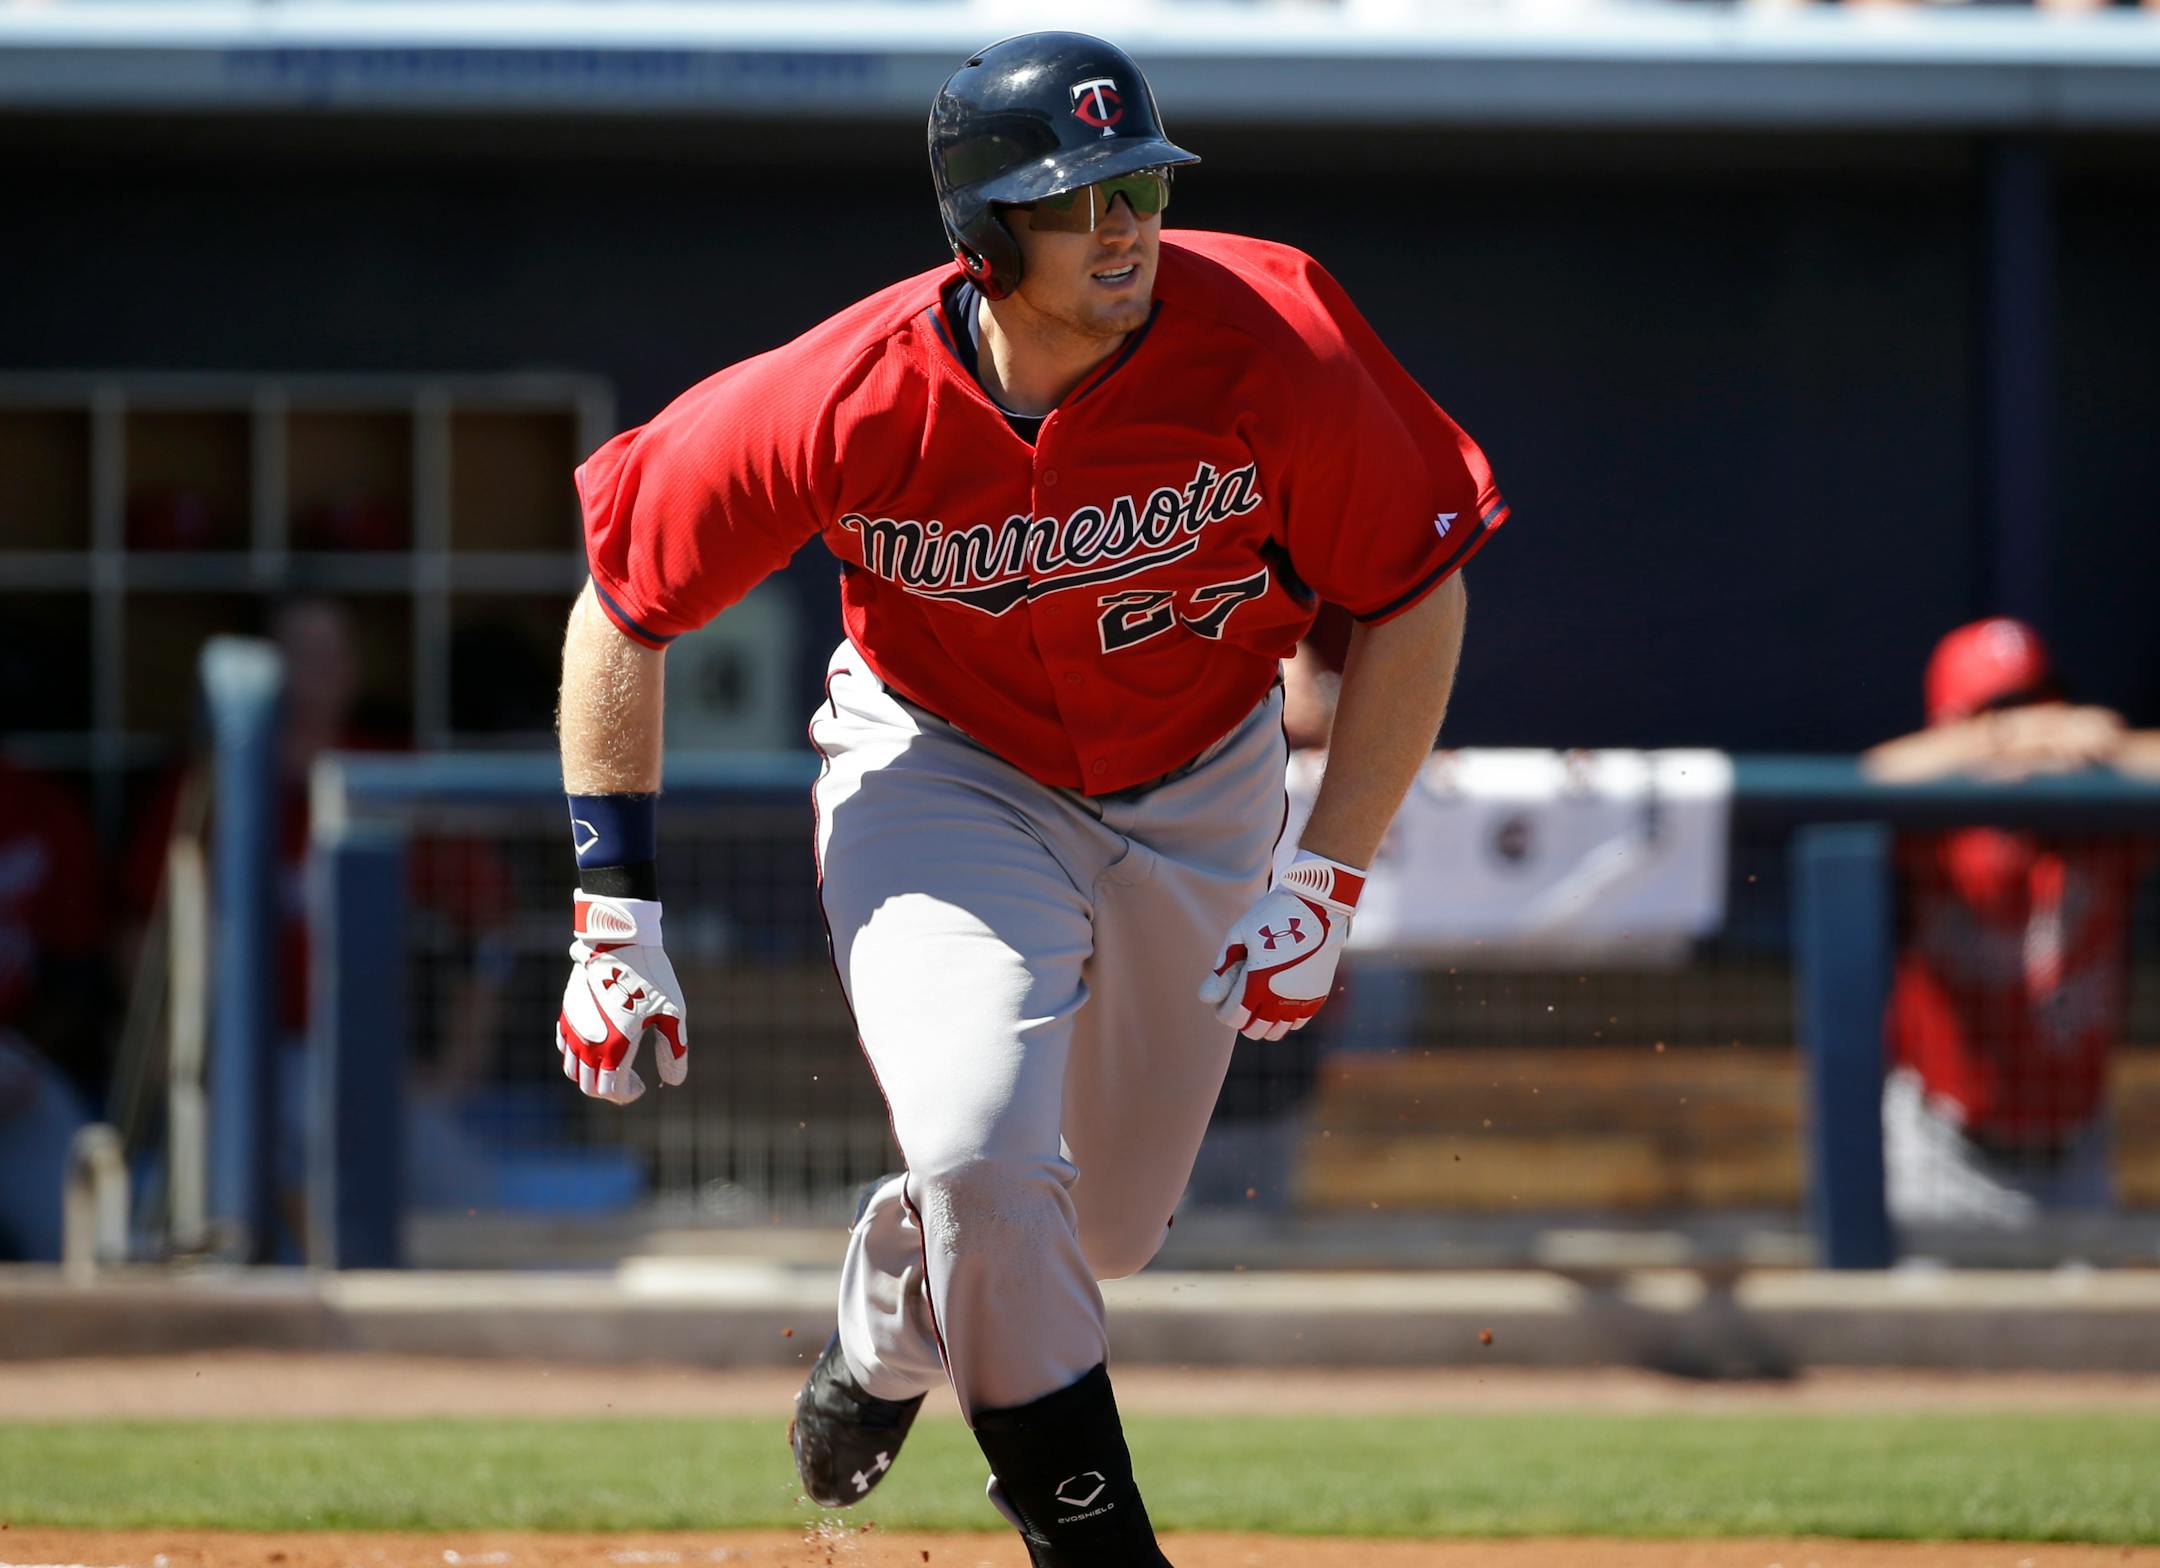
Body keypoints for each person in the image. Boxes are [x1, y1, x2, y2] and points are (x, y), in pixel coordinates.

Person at [553, 32, 1504, 1565]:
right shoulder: (843, 391)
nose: (1126, 223)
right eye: (1078, 198)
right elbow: (625, 603)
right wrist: (613, 915)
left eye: (1139, 181)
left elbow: (1418, 588)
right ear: (986, 235)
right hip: (944, 772)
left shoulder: (1275, 333)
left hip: (1203, 779)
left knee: (1099, 1230)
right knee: (994, 1166)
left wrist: (1328, 873)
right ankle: (1096, 1536)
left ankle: (887, 1319)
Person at [1863, 616, 2160, 1229]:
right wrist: (2002, 738)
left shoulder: (2103, 824)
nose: (2034, 728)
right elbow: (1868, 780)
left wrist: (2111, 745)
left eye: (2041, 703)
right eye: (2002, 709)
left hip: (2073, 1152)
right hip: (1943, 1153)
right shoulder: (1937, 830)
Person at [0, 754, 106, 1263]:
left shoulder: (40, 808)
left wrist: (27, 1055)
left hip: (14, 1063)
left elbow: (76, 973)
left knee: (82, 1227)